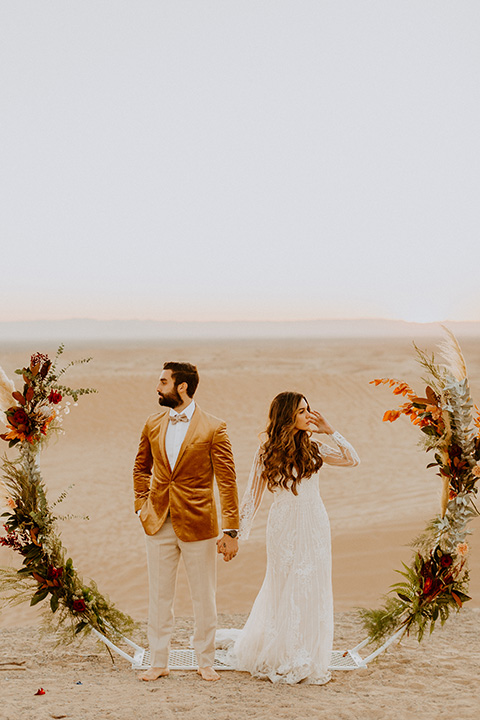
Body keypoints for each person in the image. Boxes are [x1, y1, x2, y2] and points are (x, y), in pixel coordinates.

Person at [216, 391, 359, 685]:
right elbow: (251, 499)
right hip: (282, 528)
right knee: (285, 585)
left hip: (315, 526)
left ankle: (304, 652)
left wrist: (331, 431)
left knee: (312, 585)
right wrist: (235, 535)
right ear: (287, 417)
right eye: (303, 411)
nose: (310, 415)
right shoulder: (266, 452)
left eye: (310, 409)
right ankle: (284, 651)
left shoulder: (316, 448)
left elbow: (352, 459)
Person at [133, 362, 239, 682]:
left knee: (203, 596)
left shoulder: (214, 427)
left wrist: (231, 529)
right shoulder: (152, 423)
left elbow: (227, 481)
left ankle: (205, 660)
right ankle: (158, 661)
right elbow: (141, 468)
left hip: (199, 523)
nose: (157, 387)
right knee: (159, 595)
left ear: (182, 387)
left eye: (163, 381)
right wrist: (141, 506)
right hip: (158, 520)